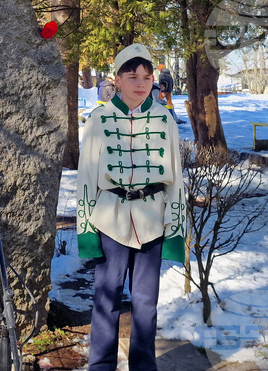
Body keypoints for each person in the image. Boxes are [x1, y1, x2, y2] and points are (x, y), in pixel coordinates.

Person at [76, 44, 187, 371]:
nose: (140, 82)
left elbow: (176, 178)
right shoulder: (99, 118)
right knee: (106, 302)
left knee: (145, 304)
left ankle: (143, 366)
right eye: (132, 76)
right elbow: (85, 178)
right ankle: (100, 366)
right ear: (118, 79)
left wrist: (175, 230)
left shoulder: (165, 119)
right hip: (110, 219)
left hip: (152, 219)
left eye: (146, 76)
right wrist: (87, 233)